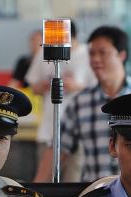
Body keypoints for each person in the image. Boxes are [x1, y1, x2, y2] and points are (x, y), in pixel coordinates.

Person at [32, 26, 131, 185]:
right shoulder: (80, 102)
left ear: (121, 55)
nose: (95, 59)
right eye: (92, 53)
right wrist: (35, 190)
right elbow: (59, 148)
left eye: (103, 53)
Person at [25, 20, 94, 180]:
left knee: (73, 185)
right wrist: (47, 84)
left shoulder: (88, 54)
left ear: (73, 37)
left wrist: (75, 86)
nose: (61, 46)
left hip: (78, 131)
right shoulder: (44, 52)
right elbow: (33, 85)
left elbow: (97, 89)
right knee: (45, 185)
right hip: (48, 130)